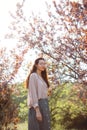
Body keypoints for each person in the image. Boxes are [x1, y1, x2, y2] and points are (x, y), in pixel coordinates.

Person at [26, 57, 51, 130]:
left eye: (44, 64)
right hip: (37, 106)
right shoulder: (33, 76)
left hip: (45, 104)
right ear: (36, 65)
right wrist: (37, 111)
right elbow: (33, 94)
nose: (43, 65)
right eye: (41, 64)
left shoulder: (43, 78)